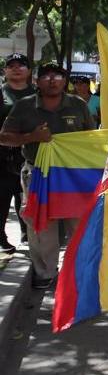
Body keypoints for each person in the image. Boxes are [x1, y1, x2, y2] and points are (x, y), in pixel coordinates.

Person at [0, 62, 95, 289]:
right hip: (37, 174)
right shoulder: (24, 106)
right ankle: (45, 273)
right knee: (40, 225)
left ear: (65, 81)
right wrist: (31, 137)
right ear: (37, 81)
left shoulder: (78, 106)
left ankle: (77, 273)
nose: (52, 79)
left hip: (73, 176)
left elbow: (91, 139)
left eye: (58, 75)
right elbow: (4, 137)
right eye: (46, 75)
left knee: (78, 224)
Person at [0, 54, 35, 251]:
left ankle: (27, 233)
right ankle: (1, 238)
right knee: (2, 198)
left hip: (29, 154)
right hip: (2, 156)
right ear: (5, 70)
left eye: (21, 66)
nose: (16, 69)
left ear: (28, 71)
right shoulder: (1, 93)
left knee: (26, 197)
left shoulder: (37, 95)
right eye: (11, 66)